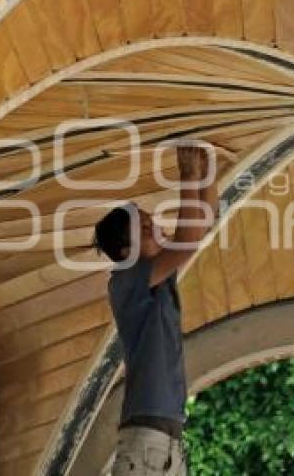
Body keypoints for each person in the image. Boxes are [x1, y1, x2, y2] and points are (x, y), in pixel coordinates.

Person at [93, 145, 217, 476]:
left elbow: (200, 227)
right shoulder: (126, 279)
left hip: (163, 442)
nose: (158, 231)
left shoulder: (157, 278)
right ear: (124, 251)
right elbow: (188, 240)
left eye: (153, 224)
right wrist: (190, 175)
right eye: (145, 230)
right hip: (149, 442)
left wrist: (208, 171)